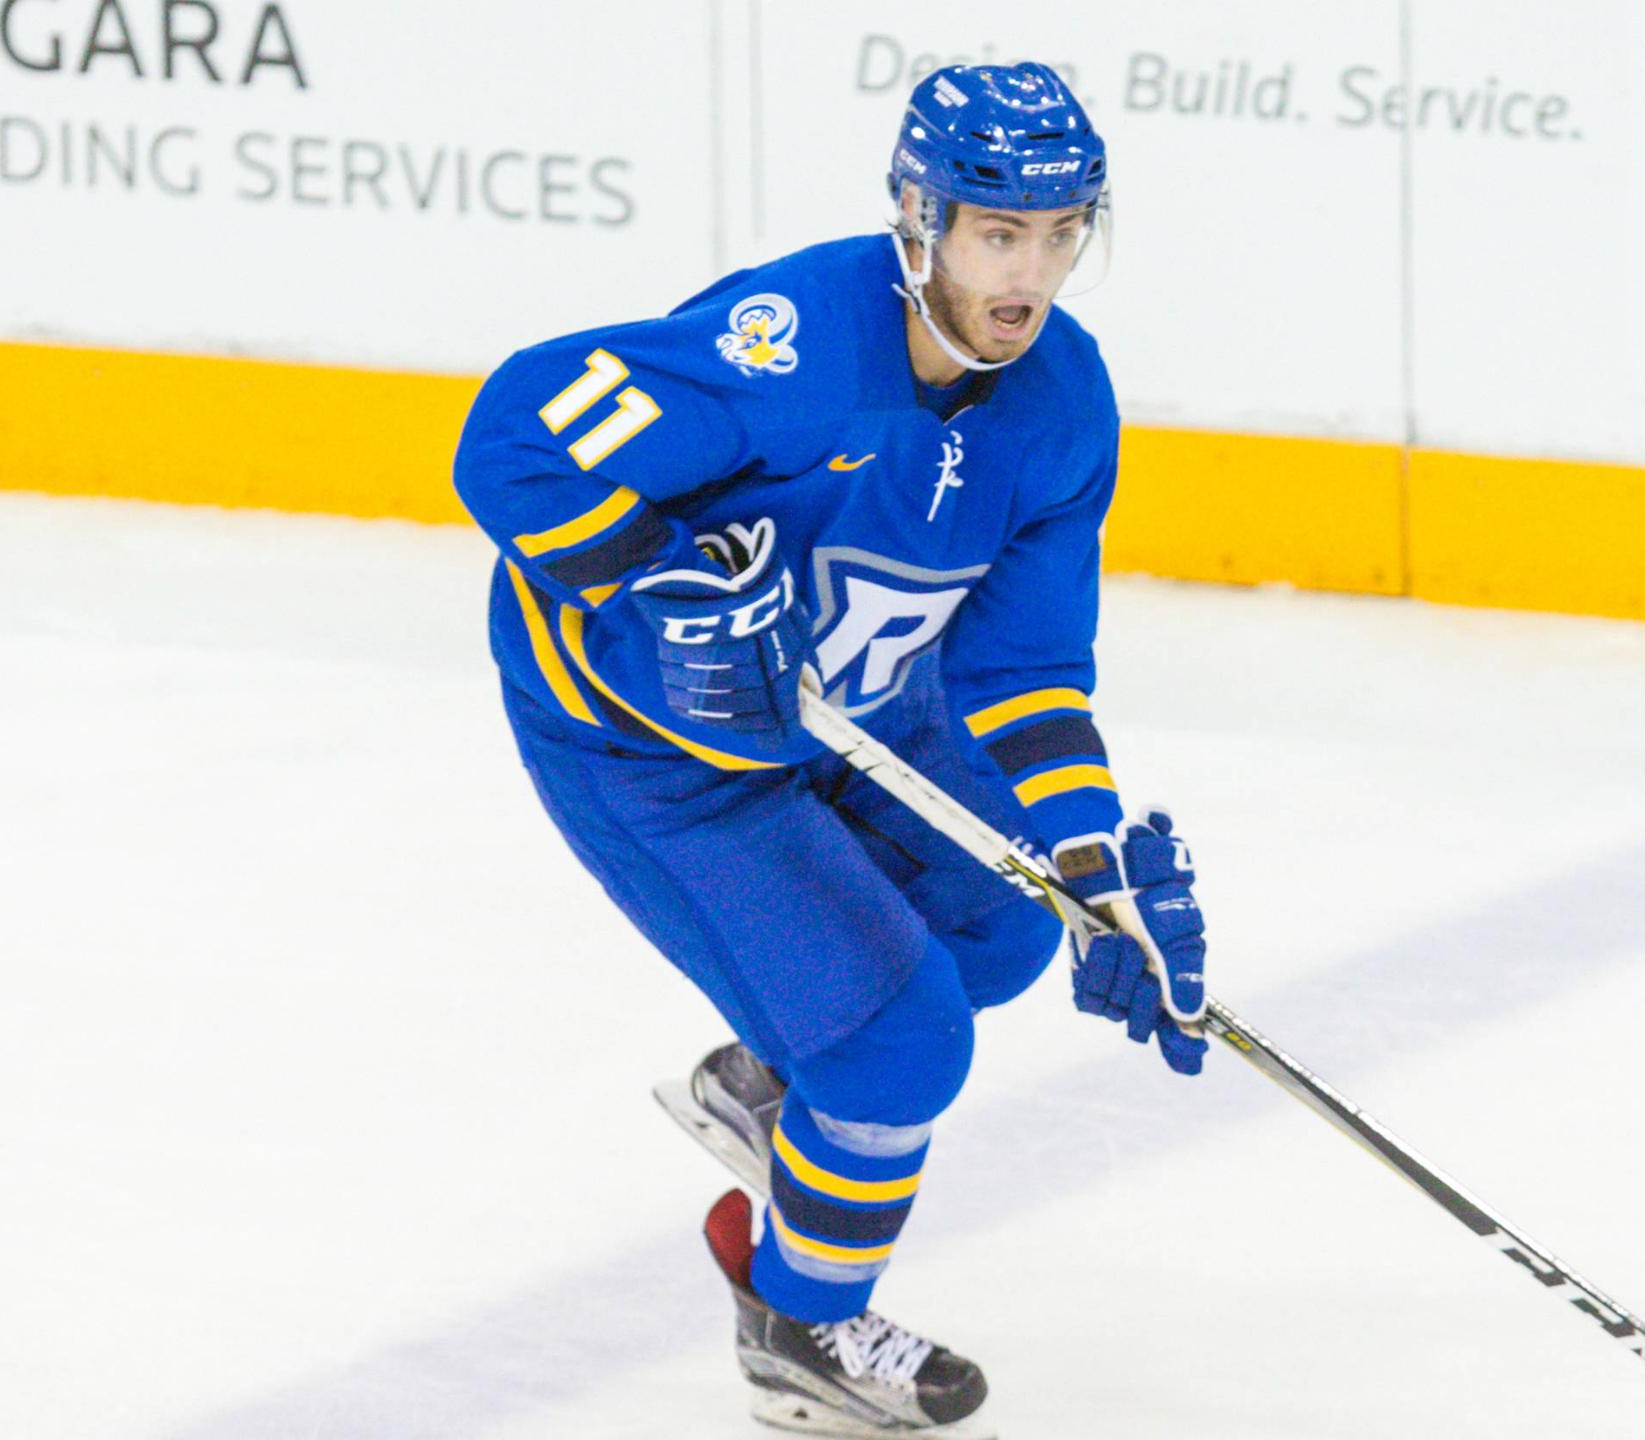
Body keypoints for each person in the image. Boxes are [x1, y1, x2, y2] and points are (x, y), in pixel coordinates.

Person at [452, 62, 1210, 1438]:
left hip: (862, 708)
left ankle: (775, 1086)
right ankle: (797, 1325)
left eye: (1060, 235)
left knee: (1008, 929)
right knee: (900, 1049)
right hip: (654, 750)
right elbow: (512, 439)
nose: (1029, 276)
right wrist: (654, 578)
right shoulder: (791, 347)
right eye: (998, 232)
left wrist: (1092, 866)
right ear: (918, 218)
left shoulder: (1061, 402)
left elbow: (1023, 668)